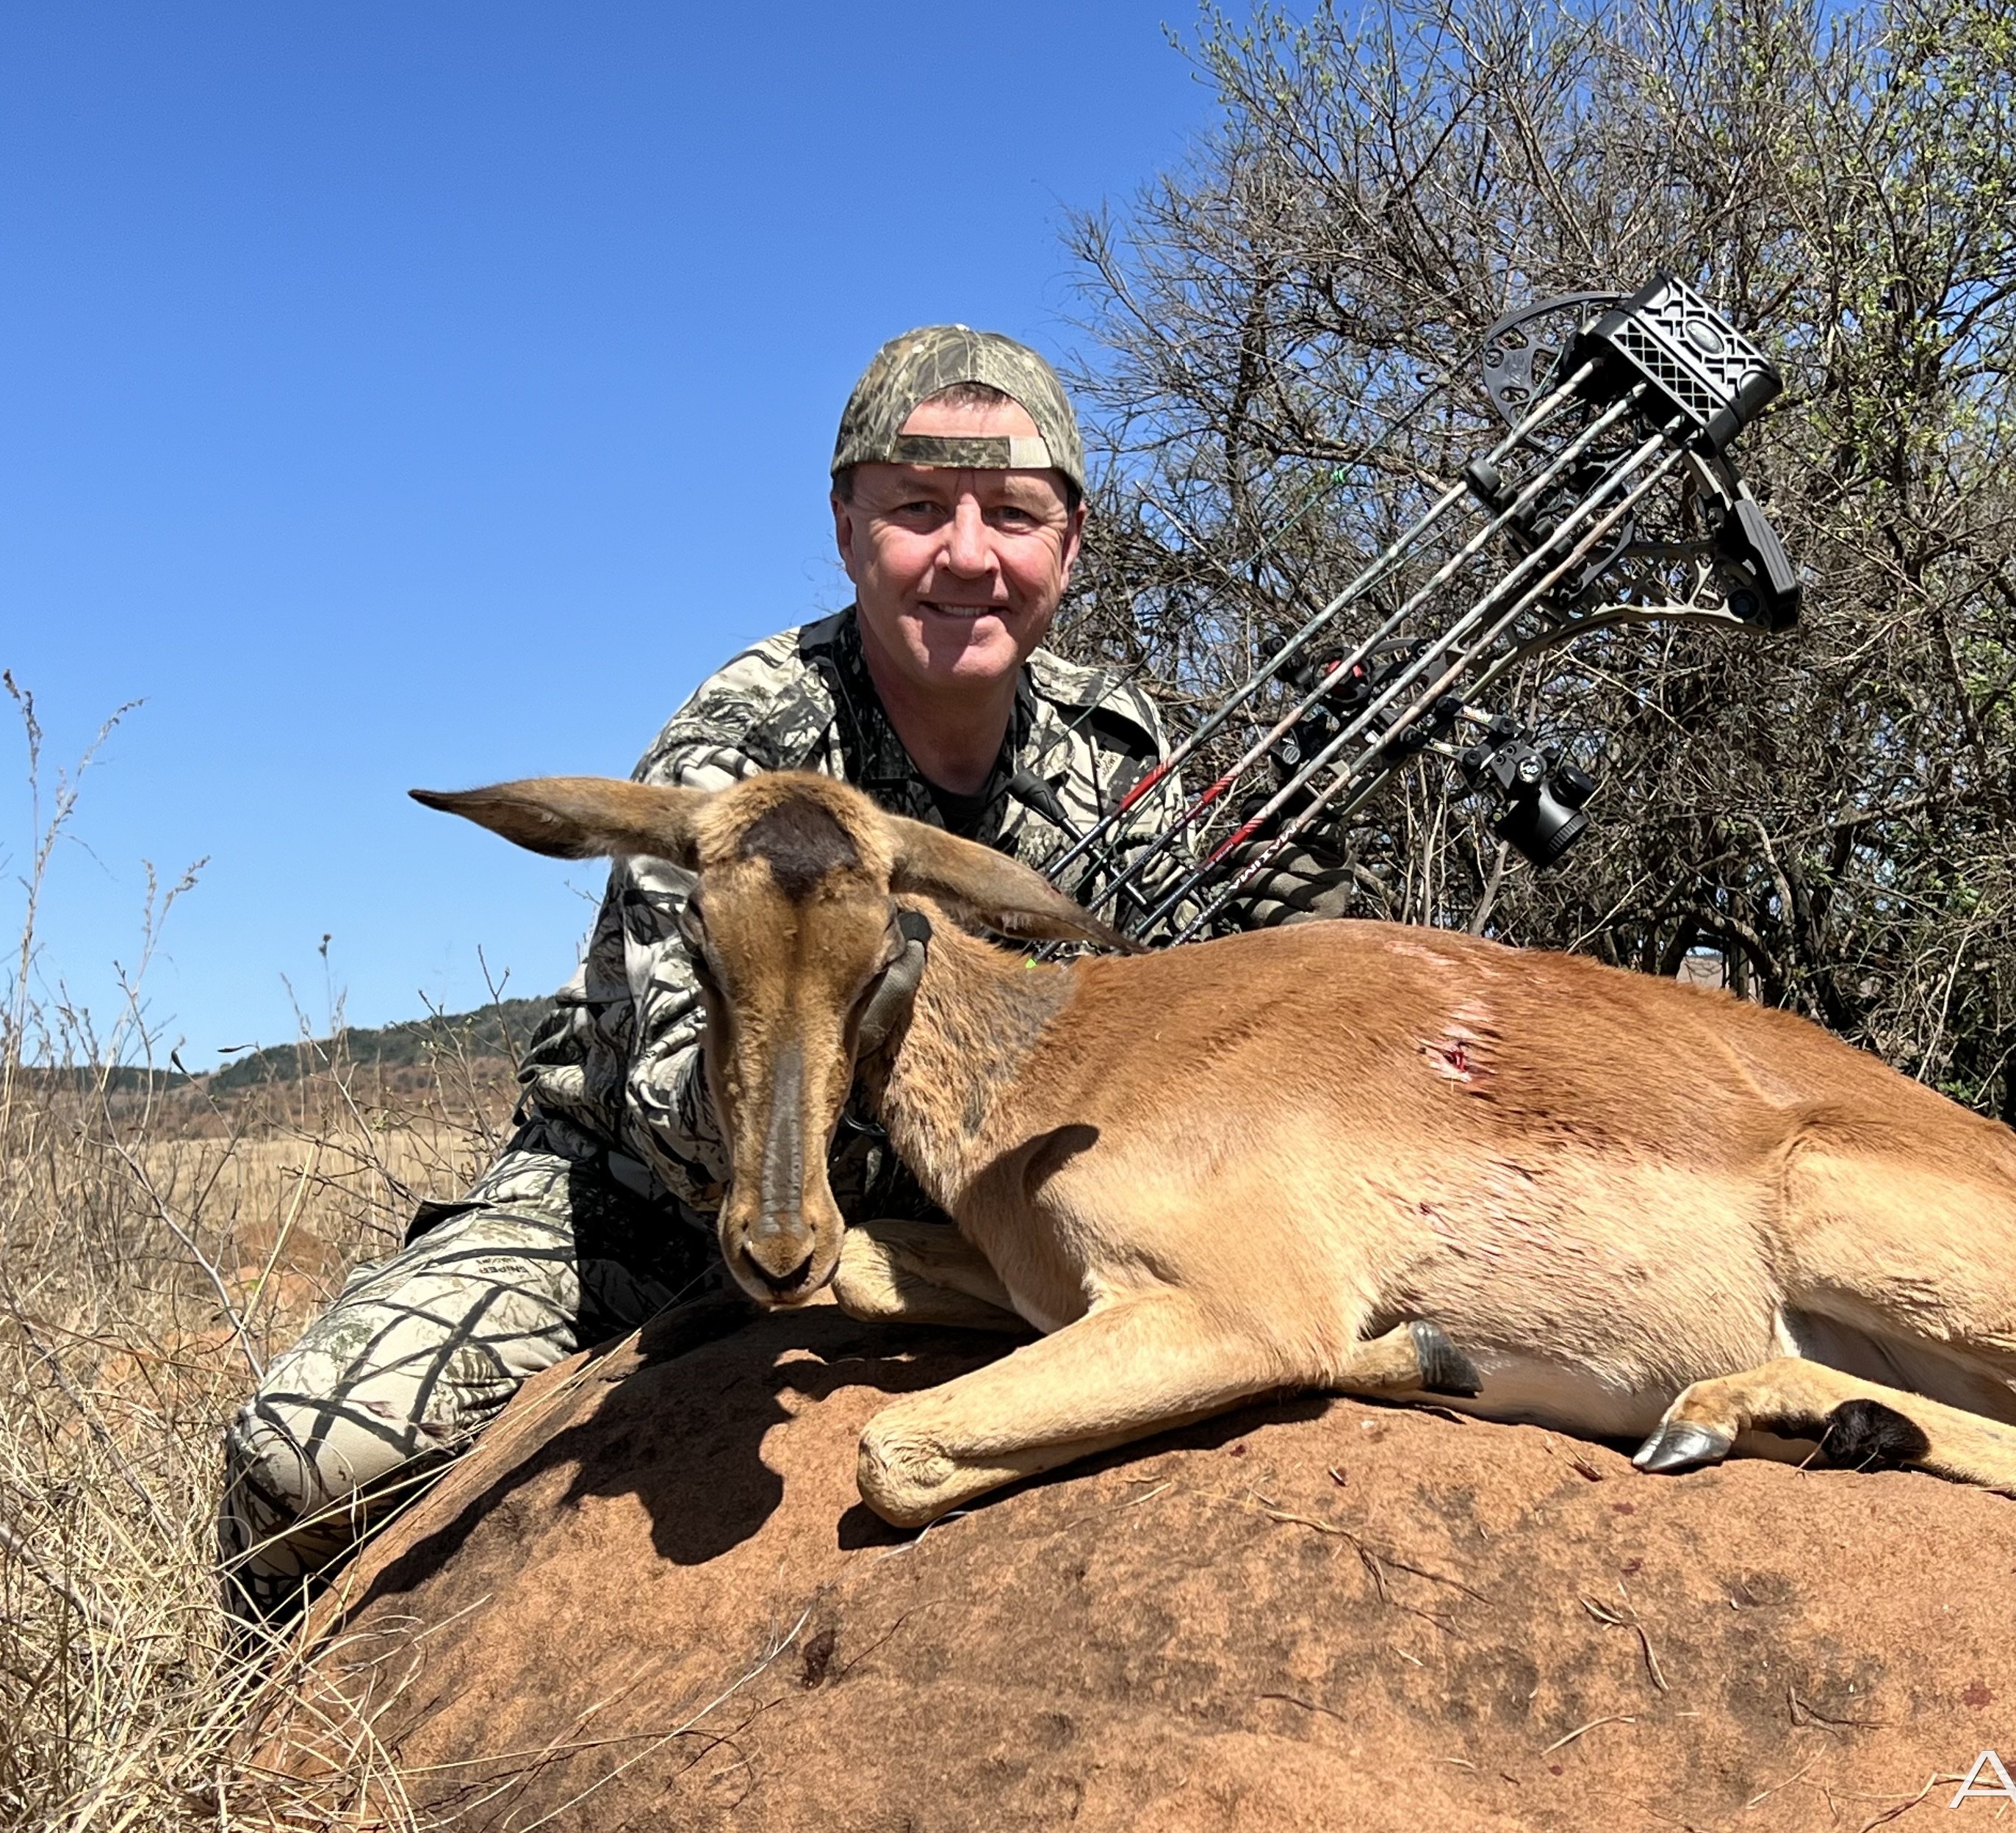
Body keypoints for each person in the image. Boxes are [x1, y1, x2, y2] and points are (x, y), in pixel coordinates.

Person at [217, 325, 1348, 1624]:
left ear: (1070, 544)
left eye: (1013, 516)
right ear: (846, 523)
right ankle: (247, 1741)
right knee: (303, 1459)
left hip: (963, 1220)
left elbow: (1177, 1021)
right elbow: (668, 1101)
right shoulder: (747, 741)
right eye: (918, 508)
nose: (967, 555)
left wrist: (1307, 914)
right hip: (639, 1214)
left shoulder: (1126, 751)